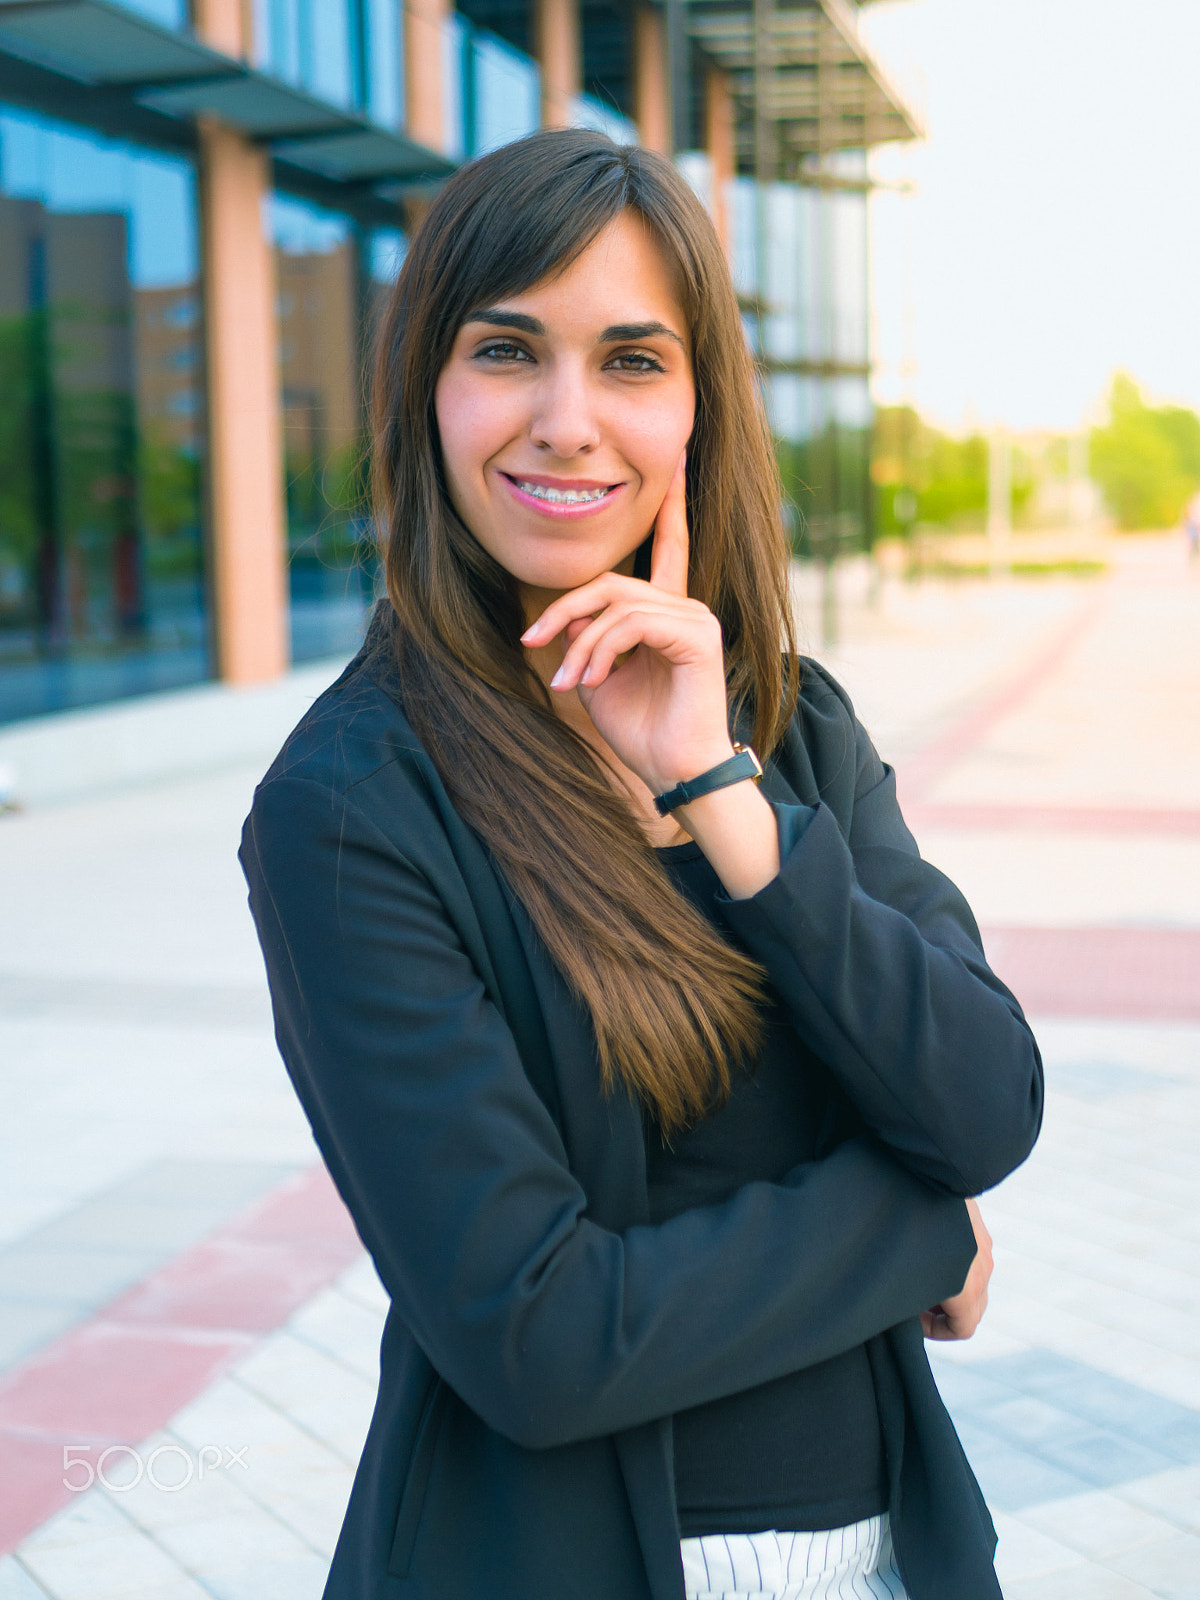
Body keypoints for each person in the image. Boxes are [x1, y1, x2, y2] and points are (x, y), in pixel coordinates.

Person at [240, 129, 1042, 1600]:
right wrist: (916, 1223)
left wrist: (719, 791)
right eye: (506, 351)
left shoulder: (791, 725)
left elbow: (985, 1098)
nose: (565, 421)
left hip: (891, 1559)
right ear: (428, 390)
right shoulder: (353, 808)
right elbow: (536, 1336)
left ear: (697, 408)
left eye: (629, 359)